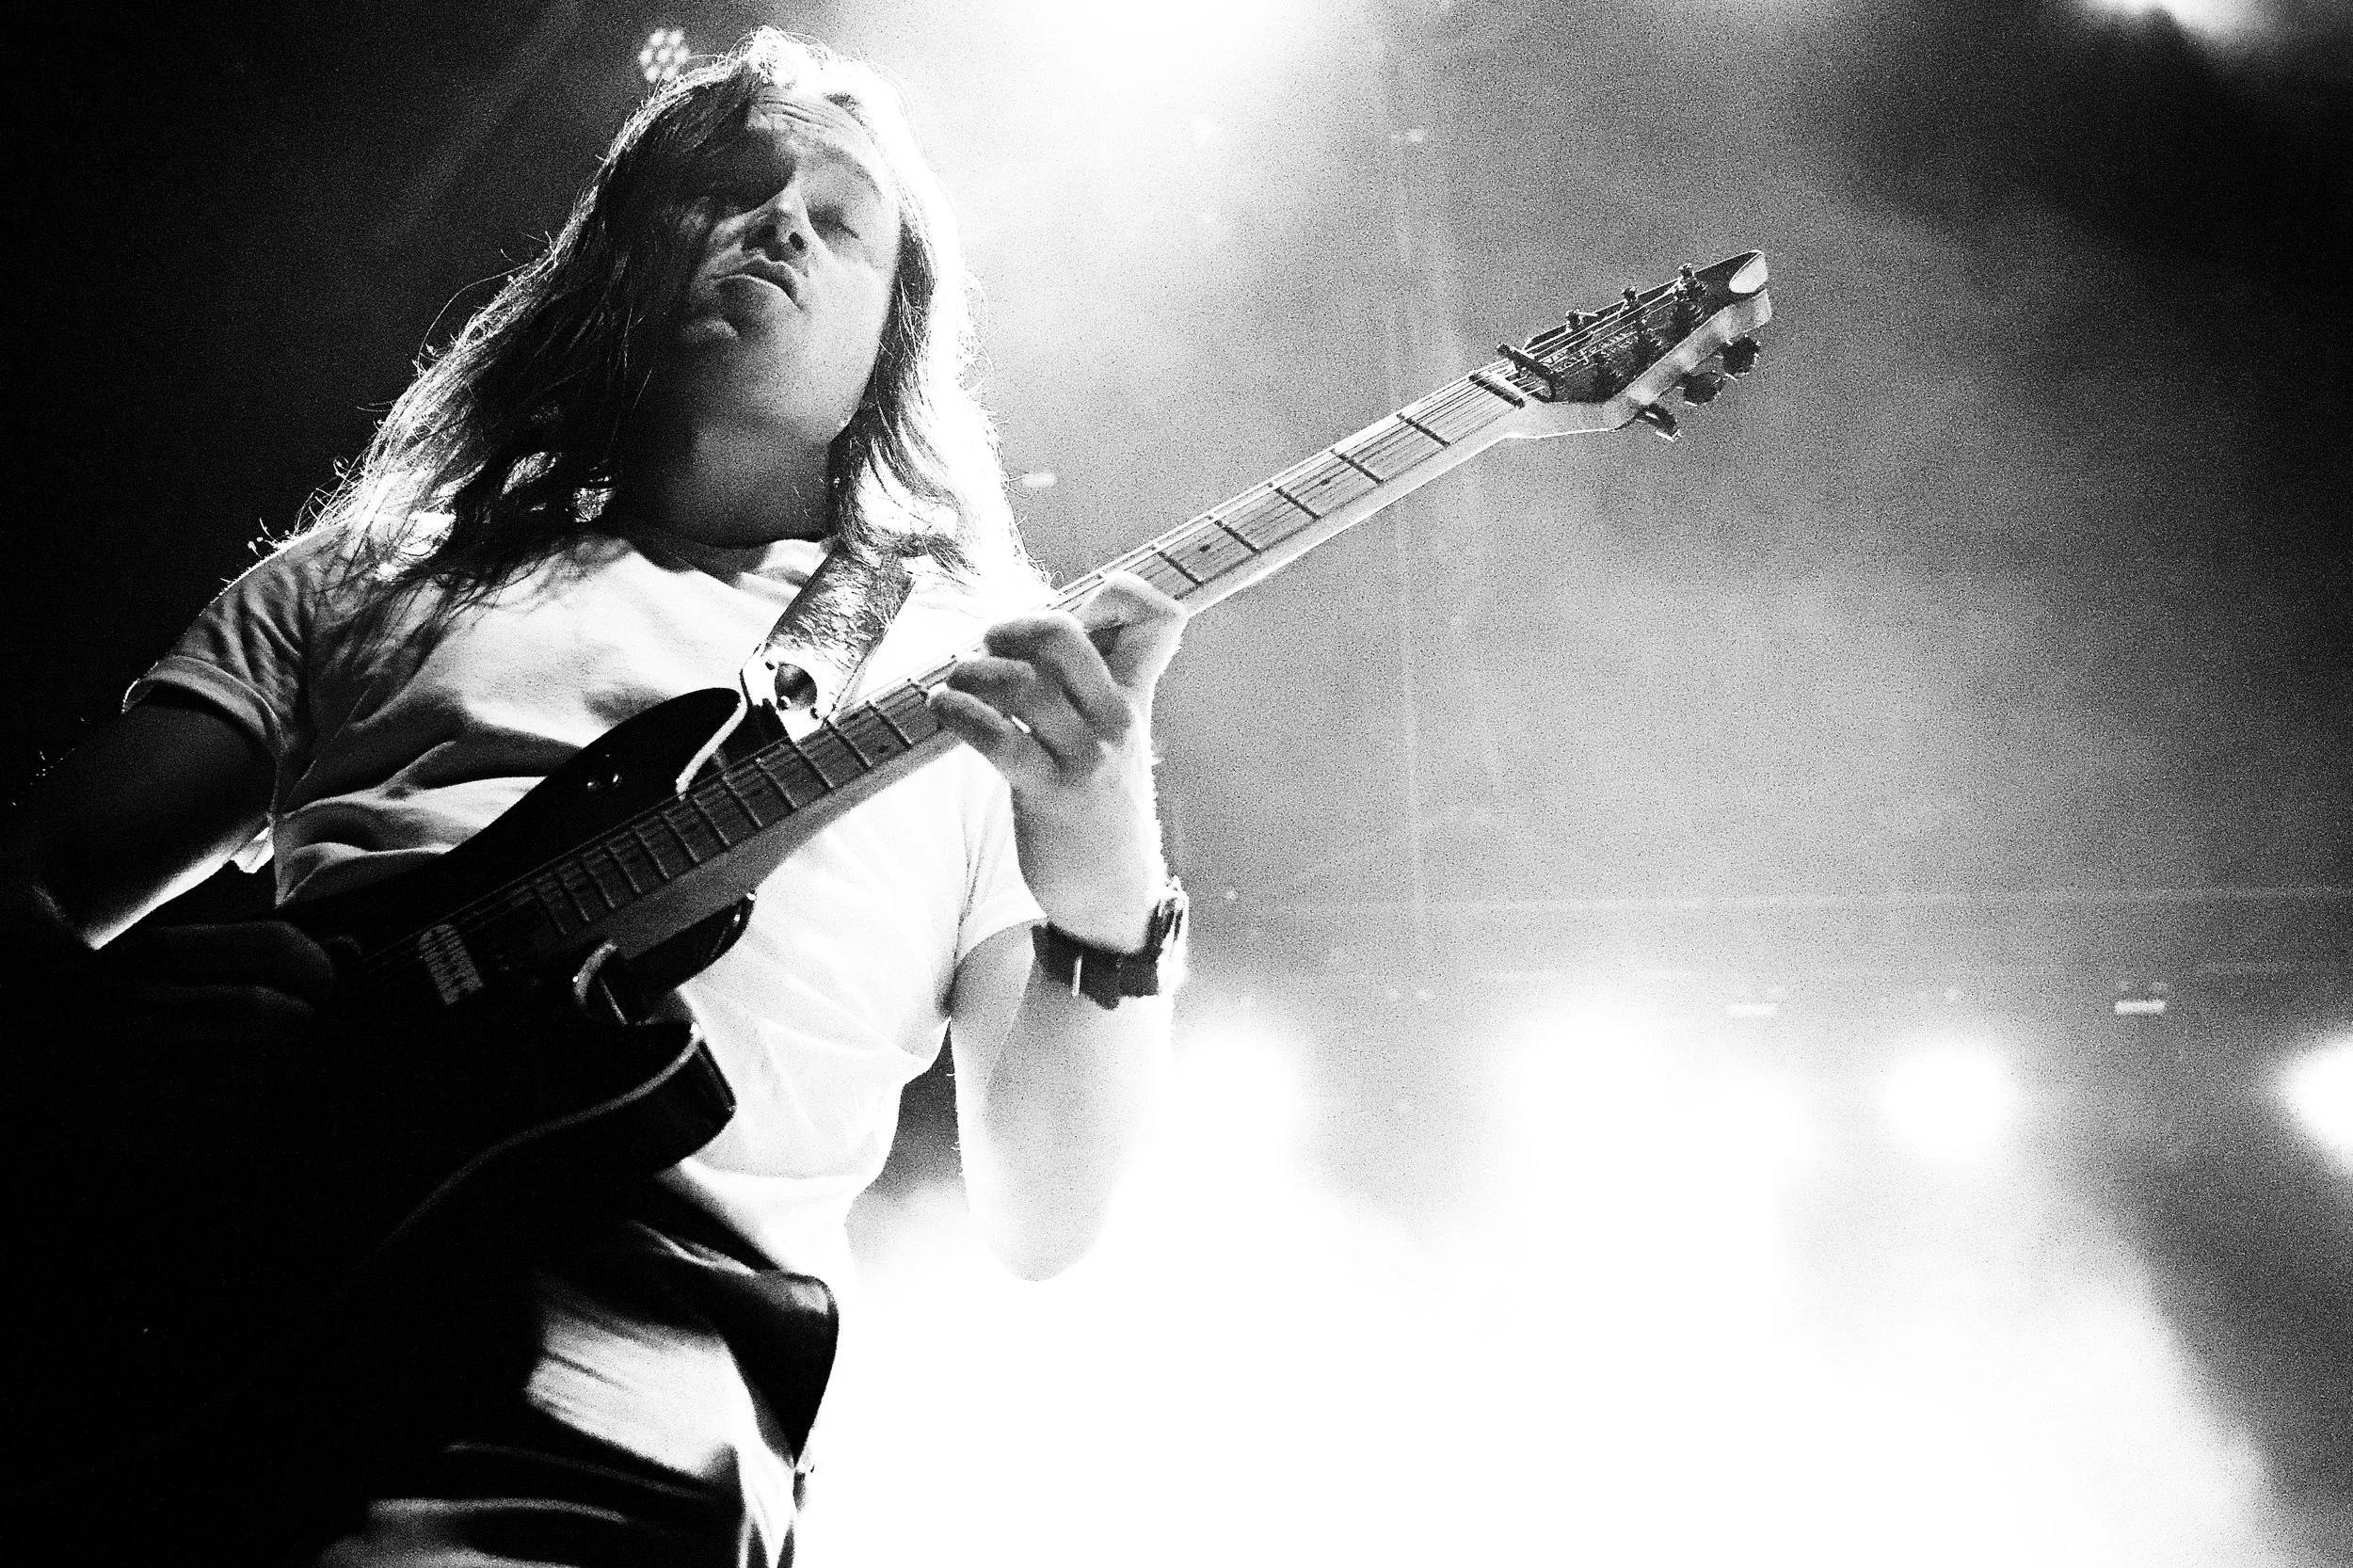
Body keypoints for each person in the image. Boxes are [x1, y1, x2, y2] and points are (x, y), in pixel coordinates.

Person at [0, 27, 1183, 1567]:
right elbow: (33, 878)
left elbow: (1043, 1218)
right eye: (731, 187)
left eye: (840, 221)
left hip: (621, 1365)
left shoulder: (964, 677)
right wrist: (92, 1033)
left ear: (891, 345)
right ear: (617, 248)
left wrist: (1105, 857)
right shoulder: (375, 566)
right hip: (221, 1271)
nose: (778, 226)